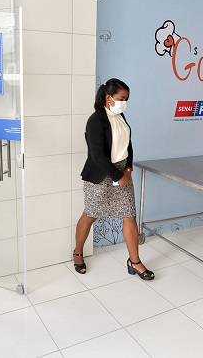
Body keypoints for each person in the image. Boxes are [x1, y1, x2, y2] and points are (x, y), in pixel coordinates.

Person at [73, 78, 155, 280]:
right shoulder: (96, 120)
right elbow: (97, 155)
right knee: (90, 214)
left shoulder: (119, 116)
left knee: (129, 216)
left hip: (123, 172)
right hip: (101, 174)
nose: (124, 103)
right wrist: (118, 176)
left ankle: (134, 262)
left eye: (126, 99)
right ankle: (78, 252)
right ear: (108, 97)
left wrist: (128, 168)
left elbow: (128, 144)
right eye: (121, 98)